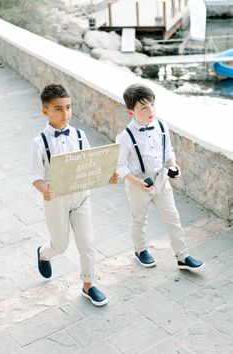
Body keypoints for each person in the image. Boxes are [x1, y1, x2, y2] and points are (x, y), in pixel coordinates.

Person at [31, 83, 117, 306]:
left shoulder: (79, 135)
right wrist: (45, 190)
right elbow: (36, 176)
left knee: (87, 242)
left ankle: (88, 285)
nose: (65, 113)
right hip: (56, 199)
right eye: (58, 109)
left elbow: (91, 162)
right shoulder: (39, 142)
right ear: (45, 111)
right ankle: (44, 253)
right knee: (60, 245)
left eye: (68, 107)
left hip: (81, 197)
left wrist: (108, 174)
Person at [116, 83, 204, 271]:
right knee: (139, 219)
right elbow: (120, 166)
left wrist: (173, 165)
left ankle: (182, 255)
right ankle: (140, 250)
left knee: (172, 217)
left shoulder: (162, 125)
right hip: (138, 182)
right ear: (131, 112)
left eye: (152, 104)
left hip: (161, 179)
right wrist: (137, 182)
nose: (151, 110)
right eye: (144, 107)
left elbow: (167, 151)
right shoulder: (124, 137)